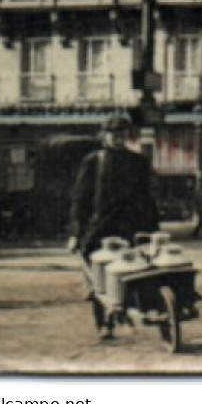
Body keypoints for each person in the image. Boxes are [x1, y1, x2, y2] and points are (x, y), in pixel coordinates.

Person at [67, 114, 161, 334]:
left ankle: (144, 308)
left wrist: (154, 228)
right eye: (113, 135)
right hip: (101, 227)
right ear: (104, 136)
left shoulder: (138, 162)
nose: (118, 138)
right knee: (100, 273)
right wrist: (75, 233)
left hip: (132, 225)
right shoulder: (94, 161)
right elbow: (80, 199)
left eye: (122, 134)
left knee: (142, 268)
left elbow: (147, 198)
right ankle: (104, 323)